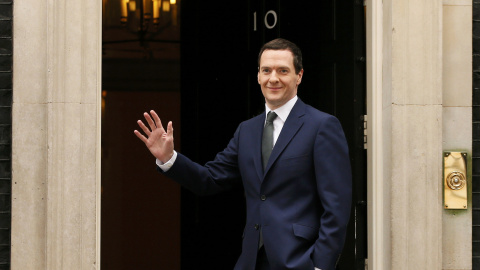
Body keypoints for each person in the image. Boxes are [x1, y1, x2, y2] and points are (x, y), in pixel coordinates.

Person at [134, 38, 352, 270]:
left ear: (299, 76)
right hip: (251, 262)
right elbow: (209, 180)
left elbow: (337, 208)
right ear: (258, 76)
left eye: (283, 71)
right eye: (266, 70)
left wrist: (320, 266)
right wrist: (169, 158)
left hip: (300, 261)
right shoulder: (246, 131)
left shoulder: (322, 126)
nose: (273, 78)